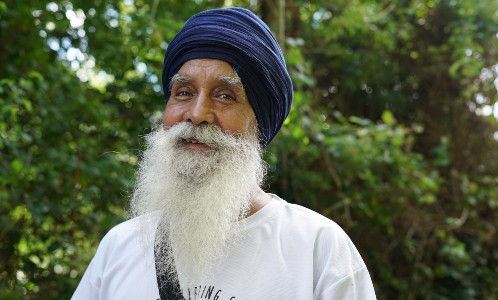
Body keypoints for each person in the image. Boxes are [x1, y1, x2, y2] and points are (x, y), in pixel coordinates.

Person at [72, 7, 377, 300]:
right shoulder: (119, 247)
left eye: (224, 95)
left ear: (260, 123)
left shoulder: (319, 249)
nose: (197, 113)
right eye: (183, 92)